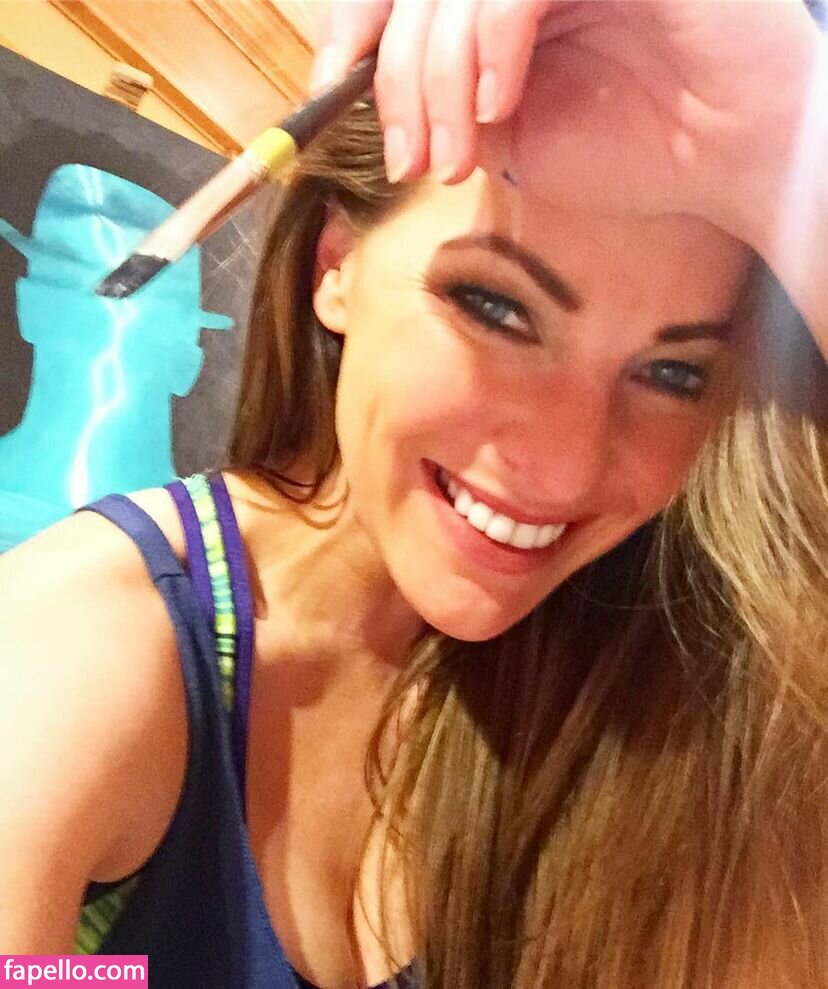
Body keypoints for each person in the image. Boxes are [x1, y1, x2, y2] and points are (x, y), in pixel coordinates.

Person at [1, 2, 826, 987]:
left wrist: (795, 127)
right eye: (495, 307)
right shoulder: (82, 646)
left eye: (674, 373)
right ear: (336, 267)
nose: (565, 468)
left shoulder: (661, 689)